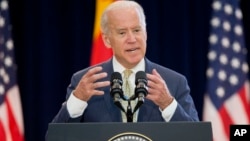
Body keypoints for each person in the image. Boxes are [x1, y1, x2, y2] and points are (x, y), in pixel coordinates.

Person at [51, 0, 199, 123]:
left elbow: (197, 137)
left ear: (146, 33)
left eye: (136, 30)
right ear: (107, 40)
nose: (132, 39)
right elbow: (57, 137)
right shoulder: (86, 82)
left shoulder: (174, 82)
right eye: (122, 33)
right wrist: (77, 100)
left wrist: (168, 104)